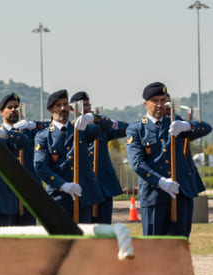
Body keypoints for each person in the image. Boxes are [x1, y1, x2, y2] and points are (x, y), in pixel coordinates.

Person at [126, 82, 211, 237]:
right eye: (155, 101)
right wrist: (161, 182)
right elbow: (137, 164)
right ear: (146, 104)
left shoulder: (175, 123)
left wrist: (187, 126)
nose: (160, 105)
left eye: (163, 100)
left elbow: (206, 128)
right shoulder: (137, 129)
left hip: (181, 193)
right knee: (154, 247)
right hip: (154, 195)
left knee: (179, 245)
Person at [33, 89, 104, 223]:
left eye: (65, 104)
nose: (63, 108)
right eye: (58, 105)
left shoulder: (81, 129)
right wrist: (63, 185)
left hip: (83, 197)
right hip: (59, 198)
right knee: (62, 241)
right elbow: (40, 166)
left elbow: (105, 125)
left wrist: (91, 117)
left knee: (84, 242)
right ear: (50, 110)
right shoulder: (43, 136)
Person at [75, 92, 127, 224]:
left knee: (105, 229)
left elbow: (125, 128)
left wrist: (99, 119)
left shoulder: (100, 126)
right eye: (82, 105)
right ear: (72, 108)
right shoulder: (71, 128)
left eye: (88, 105)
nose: (86, 108)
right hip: (83, 187)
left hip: (103, 185)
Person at [0, 93, 42, 226]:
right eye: (9, 107)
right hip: (6, 197)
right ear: (1, 112)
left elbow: (53, 127)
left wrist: (34, 124)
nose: (13, 110)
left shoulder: (30, 132)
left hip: (28, 195)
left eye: (16, 107)